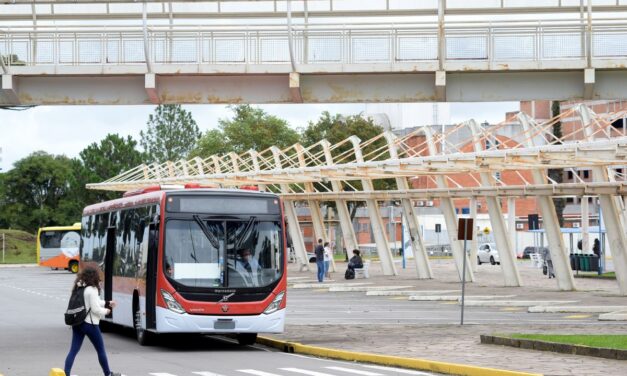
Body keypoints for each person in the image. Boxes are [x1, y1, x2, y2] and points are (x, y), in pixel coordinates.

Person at [64, 264, 121, 376]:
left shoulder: (80, 286)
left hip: (78, 323)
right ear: (94, 276)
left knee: (73, 350)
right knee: (100, 349)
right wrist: (107, 311)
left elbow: (93, 302)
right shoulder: (92, 289)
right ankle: (108, 373)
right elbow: (95, 309)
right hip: (90, 324)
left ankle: (66, 373)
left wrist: (107, 303)